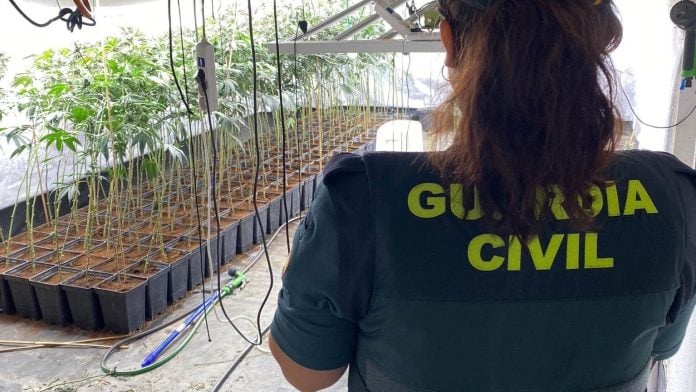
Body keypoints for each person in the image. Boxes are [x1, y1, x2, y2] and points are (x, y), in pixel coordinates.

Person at [269, 0, 696, 391]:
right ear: (602, 41)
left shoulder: (362, 200)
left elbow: (308, 372)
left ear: (449, 43)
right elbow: (660, 349)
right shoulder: (673, 198)